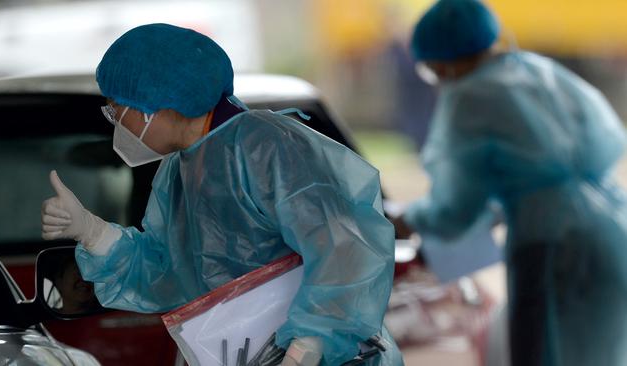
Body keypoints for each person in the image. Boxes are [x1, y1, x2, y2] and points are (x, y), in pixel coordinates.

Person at [40, 23, 402, 366]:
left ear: (154, 103)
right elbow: (168, 273)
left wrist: (311, 342)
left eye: (115, 108)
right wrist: (92, 232)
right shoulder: (180, 171)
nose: (115, 120)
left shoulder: (265, 146)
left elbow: (345, 247)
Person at [392, 0, 627, 365]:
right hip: (613, 230)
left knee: (546, 353)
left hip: (554, 245)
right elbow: (542, 172)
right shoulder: (536, 70)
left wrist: (408, 219)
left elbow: (455, 207)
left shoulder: (469, 96)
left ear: (441, 59)